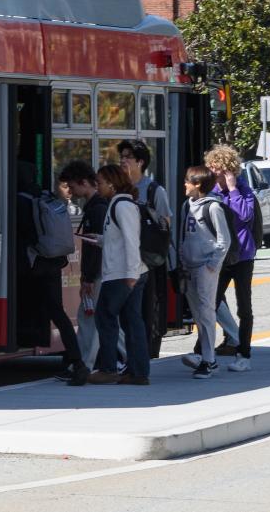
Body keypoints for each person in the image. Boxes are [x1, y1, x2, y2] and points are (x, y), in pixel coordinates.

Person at [14, 162, 88, 386]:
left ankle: (73, 360)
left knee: (28, 303)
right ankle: (75, 360)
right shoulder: (45, 194)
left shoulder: (18, 200)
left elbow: (23, 234)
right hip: (53, 262)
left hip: (32, 263)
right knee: (58, 312)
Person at [87, 164, 150, 385]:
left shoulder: (122, 205)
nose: (98, 186)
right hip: (129, 272)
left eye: (100, 182)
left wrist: (131, 274)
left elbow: (133, 240)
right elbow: (121, 238)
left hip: (123, 274)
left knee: (105, 317)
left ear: (112, 184)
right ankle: (137, 372)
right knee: (131, 321)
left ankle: (108, 368)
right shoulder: (119, 203)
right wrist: (101, 240)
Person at [58, 159, 117, 371]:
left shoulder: (96, 209)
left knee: (88, 318)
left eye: (72, 186)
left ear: (84, 182)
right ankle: (129, 359)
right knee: (105, 319)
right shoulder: (98, 206)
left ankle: (84, 364)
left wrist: (88, 279)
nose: (70, 191)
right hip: (103, 272)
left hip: (98, 273)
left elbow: (95, 247)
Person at [204, 145, 256, 372]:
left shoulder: (243, 190)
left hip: (243, 255)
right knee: (210, 303)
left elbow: (245, 215)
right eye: (212, 170)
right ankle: (201, 353)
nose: (215, 176)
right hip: (221, 255)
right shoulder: (212, 192)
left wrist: (233, 189)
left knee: (244, 307)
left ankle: (243, 353)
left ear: (230, 171)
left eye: (219, 171)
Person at [117, 139, 171, 359]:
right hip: (124, 257)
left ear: (140, 162)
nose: (123, 160)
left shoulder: (153, 189)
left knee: (147, 308)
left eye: (127, 157)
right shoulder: (120, 188)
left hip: (148, 260)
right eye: (121, 156)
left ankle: (147, 353)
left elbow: (166, 223)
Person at [177, 166, 232, 379]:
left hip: (205, 266)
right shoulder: (186, 206)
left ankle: (209, 359)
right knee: (198, 313)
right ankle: (207, 356)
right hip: (189, 266)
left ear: (198, 184)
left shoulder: (213, 207)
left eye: (187, 181)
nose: (185, 184)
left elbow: (223, 239)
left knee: (207, 311)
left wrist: (212, 263)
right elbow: (184, 235)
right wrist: (182, 259)